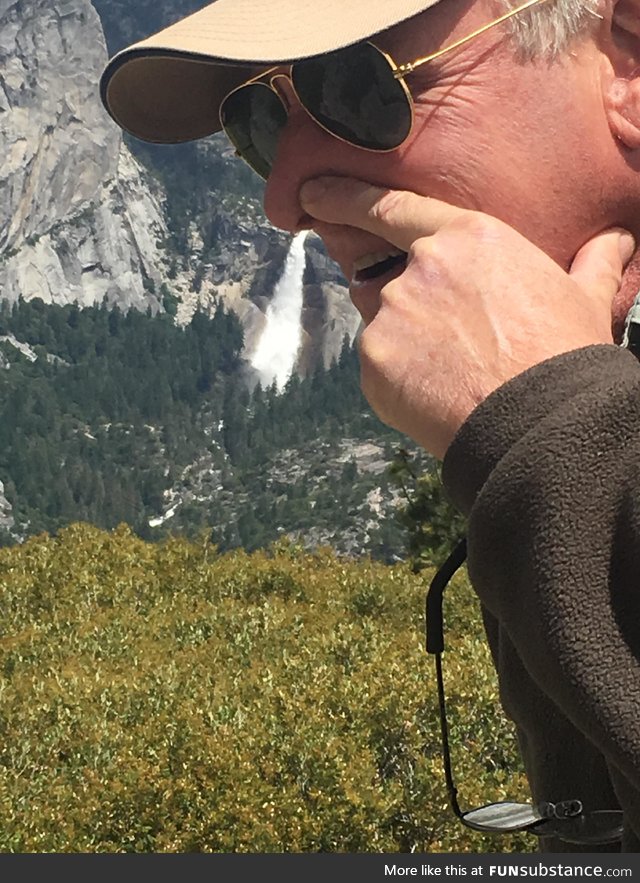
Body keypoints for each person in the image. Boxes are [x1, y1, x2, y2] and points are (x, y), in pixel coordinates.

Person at [100, 0, 640, 852]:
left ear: (629, 59)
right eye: (261, 121)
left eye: (357, 86)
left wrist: (554, 416)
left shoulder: (572, 417)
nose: (285, 198)